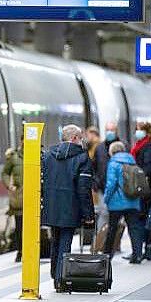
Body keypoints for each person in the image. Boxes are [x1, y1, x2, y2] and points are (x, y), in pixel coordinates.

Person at [42, 124, 94, 290]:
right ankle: (60, 279)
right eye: (80, 138)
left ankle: (54, 274)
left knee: (56, 240)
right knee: (65, 241)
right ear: (74, 138)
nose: (82, 141)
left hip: (52, 206)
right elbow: (84, 189)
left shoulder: (48, 155)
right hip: (71, 207)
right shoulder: (82, 158)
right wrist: (88, 214)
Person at [103, 141, 142, 262]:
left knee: (112, 229)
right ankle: (137, 254)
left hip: (116, 202)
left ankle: (107, 255)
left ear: (111, 152)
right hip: (133, 200)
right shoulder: (132, 161)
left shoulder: (113, 163)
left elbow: (111, 184)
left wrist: (106, 199)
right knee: (134, 228)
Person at [131, 122, 151, 261]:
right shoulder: (140, 146)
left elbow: (148, 166)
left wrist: (137, 176)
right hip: (141, 188)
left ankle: (146, 249)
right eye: (136, 130)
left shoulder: (147, 147)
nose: (137, 132)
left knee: (144, 217)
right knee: (142, 218)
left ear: (147, 132)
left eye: (140, 130)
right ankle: (141, 249)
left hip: (145, 189)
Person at [2, 145, 24, 262]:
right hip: (19, 199)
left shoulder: (40, 155)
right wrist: (9, 185)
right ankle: (20, 251)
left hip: (36, 198)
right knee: (19, 227)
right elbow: (5, 173)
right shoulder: (14, 158)